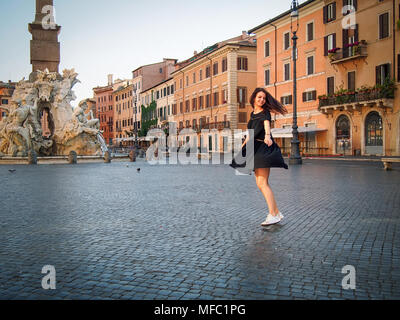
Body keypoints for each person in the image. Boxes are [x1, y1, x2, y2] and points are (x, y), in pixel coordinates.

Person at [230, 88, 288, 226]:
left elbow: (267, 125)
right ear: (254, 98)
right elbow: (250, 134)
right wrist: (241, 148)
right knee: (260, 183)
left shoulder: (265, 113)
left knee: (263, 183)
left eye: (264, 98)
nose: (262, 100)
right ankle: (276, 212)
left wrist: (268, 136)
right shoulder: (252, 114)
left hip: (263, 149)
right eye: (259, 97)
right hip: (255, 150)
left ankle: (273, 214)